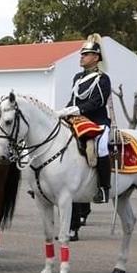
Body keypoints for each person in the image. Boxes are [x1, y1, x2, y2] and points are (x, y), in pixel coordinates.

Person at [55, 33, 112, 203]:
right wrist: (63, 111)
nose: (82, 57)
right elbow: (73, 99)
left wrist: (77, 109)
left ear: (96, 57)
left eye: (85, 55)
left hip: (97, 122)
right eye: (82, 54)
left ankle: (103, 188)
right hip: (78, 120)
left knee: (101, 147)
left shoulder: (103, 78)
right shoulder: (77, 78)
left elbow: (98, 101)